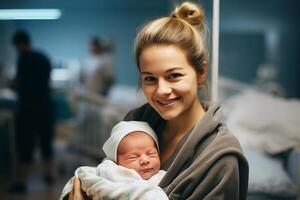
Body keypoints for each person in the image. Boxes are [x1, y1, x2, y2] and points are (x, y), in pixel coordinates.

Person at [69, 2, 249, 200]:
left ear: (201, 73)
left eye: (174, 76)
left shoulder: (220, 159)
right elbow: (106, 177)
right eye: (150, 79)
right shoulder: (136, 122)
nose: (162, 90)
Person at [61, 121, 168, 200]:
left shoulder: (163, 177)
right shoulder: (110, 172)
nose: (145, 160)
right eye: (133, 157)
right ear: (116, 161)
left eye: (151, 154)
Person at [8, 30, 55, 193]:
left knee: (25, 145)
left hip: (28, 108)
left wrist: (11, 84)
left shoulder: (23, 59)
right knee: (46, 143)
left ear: (20, 44)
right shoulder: (43, 58)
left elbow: (18, 82)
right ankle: (49, 176)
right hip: (45, 107)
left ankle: (21, 182)